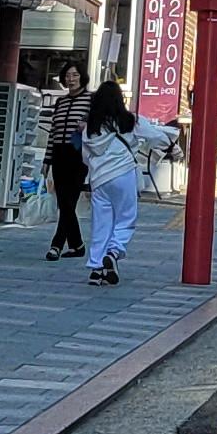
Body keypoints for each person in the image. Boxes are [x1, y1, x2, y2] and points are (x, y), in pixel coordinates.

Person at [82, 76, 140, 284]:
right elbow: (155, 135)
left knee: (101, 223)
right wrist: (172, 147)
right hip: (124, 174)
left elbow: (85, 157)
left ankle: (96, 268)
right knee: (126, 217)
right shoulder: (130, 121)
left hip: (99, 179)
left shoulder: (91, 126)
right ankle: (113, 252)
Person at [45, 58, 92, 260]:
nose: (71, 79)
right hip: (59, 154)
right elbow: (53, 132)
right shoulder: (61, 102)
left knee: (68, 201)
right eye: (67, 75)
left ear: (82, 77)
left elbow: (97, 128)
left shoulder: (91, 100)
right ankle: (77, 244)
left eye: (75, 75)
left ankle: (56, 244)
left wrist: (86, 126)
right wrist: (47, 160)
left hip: (78, 155)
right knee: (63, 201)